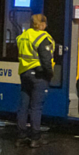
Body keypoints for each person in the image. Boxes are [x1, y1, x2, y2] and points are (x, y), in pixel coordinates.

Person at [17, 13, 55, 147]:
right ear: (42, 24)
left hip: (24, 73)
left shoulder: (24, 36)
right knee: (36, 107)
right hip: (38, 76)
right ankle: (35, 137)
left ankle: (21, 136)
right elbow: (46, 59)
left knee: (23, 106)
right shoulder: (42, 37)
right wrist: (49, 74)